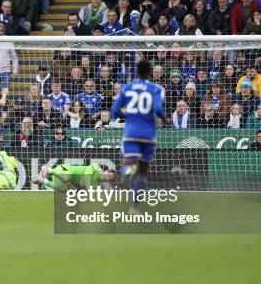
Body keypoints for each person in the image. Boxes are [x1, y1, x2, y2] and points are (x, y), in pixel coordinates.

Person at [111, 60, 169, 214]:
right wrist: (164, 118)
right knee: (143, 170)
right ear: (150, 73)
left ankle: (126, 173)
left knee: (129, 160)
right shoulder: (156, 88)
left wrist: (127, 115)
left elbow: (114, 110)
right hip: (148, 133)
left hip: (131, 131)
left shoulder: (127, 88)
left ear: (137, 72)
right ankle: (134, 207)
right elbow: (157, 107)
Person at [32, 163, 116, 190]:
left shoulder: (97, 185)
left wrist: (74, 189)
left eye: (109, 179)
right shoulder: (96, 166)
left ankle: (43, 181)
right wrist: (87, 187)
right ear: (105, 171)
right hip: (65, 170)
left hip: (69, 181)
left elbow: (81, 186)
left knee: (65, 190)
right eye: (108, 175)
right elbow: (87, 174)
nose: (107, 178)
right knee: (66, 178)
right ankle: (49, 169)